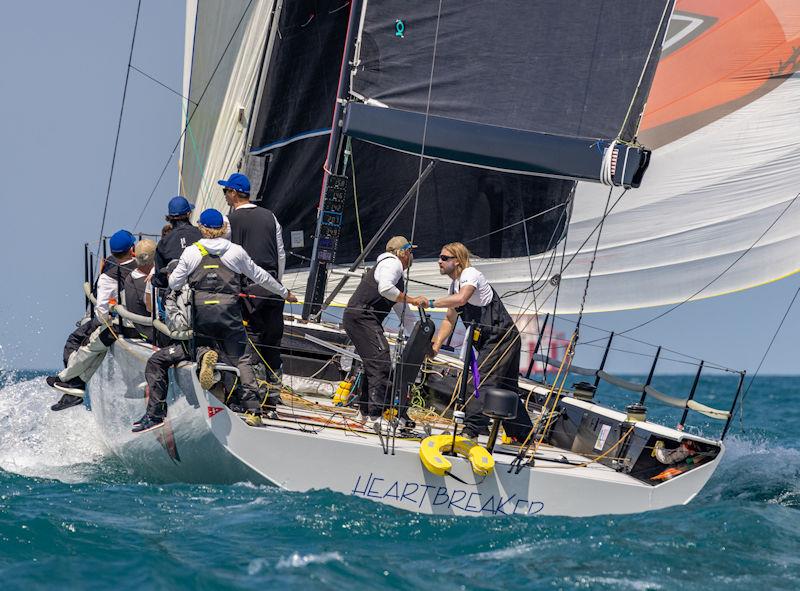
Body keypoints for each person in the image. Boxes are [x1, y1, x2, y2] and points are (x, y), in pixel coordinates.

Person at [168, 208, 297, 414]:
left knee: (201, 344)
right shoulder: (235, 251)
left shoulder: (191, 252)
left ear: (201, 228)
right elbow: (260, 276)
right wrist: (284, 293)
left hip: (202, 313)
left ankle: (205, 358)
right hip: (229, 312)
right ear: (223, 228)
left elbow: (174, 283)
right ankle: (253, 409)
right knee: (242, 359)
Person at [430, 242, 534, 441]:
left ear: (457, 261)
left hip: (501, 337)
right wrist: (436, 344)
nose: (439, 262)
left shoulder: (470, 274)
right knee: (506, 389)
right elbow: (448, 319)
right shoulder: (454, 285)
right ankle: (524, 436)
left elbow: (462, 299)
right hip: (491, 340)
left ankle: (472, 431)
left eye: (444, 258)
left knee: (479, 382)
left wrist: (432, 302)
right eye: (440, 257)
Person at [46, 230, 138, 411]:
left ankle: (67, 379)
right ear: (132, 249)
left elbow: (101, 312)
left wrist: (105, 317)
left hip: (121, 325)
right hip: (137, 323)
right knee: (98, 346)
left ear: (112, 253)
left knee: (82, 342)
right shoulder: (146, 266)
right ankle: (75, 386)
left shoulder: (109, 275)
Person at [342, 236, 428, 429]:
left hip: (360, 317)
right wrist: (414, 300)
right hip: (362, 316)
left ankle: (364, 413)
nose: (411, 256)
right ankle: (375, 416)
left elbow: (403, 312)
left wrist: (421, 340)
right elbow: (386, 289)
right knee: (380, 360)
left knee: (373, 362)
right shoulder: (392, 264)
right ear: (402, 252)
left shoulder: (393, 271)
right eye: (410, 251)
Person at [220, 172, 287, 411]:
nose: (225, 196)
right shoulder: (271, 217)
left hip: (249, 290)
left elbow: (224, 257)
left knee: (251, 345)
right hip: (273, 289)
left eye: (226, 191)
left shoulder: (229, 221)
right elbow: (280, 255)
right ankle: (273, 398)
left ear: (235, 193)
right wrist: (277, 287)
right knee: (273, 344)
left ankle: (253, 399)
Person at [133, 261, 192, 432]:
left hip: (191, 345)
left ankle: (155, 414)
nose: (166, 277)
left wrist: (170, 302)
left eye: (168, 275)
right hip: (202, 341)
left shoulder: (181, 292)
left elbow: (181, 325)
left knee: (156, 361)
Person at [152, 196, 202, 288]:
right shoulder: (201, 234)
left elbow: (161, 281)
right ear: (189, 214)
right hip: (201, 290)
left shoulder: (163, 243)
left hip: (177, 295)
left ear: (170, 217)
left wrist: (152, 279)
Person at [121, 239, 156, 342]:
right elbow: (152, 309)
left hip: (141, 331)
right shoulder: (148, 283)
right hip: (154, 335)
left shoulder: (130, 277)